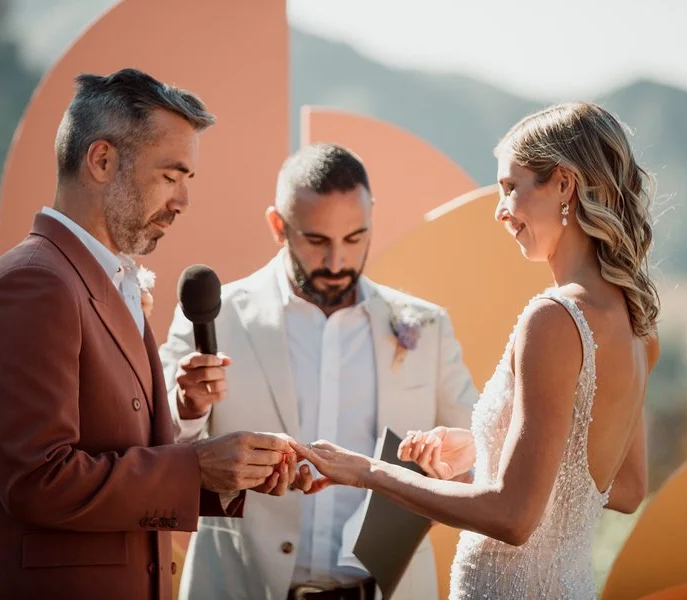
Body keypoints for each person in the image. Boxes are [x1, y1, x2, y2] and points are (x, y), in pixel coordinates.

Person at [291, 102, 661, 600]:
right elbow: (625, 488)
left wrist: (370, 472)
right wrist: (487, 450)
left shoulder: (553, 319)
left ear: (564, 185)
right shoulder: (640, 328)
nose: (500, 208)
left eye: (511, 187)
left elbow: (512, 517)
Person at [0, 68, 295, 600]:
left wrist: (208, 450)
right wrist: (196, 466)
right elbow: (37, 482)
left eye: (188, 180)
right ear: (102, 160)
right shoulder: (34, 284)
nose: (182, 200)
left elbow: (116, 447)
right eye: (170, 176)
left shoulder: (106, 278)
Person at [158, 143, 479, 600]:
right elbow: (158, 449)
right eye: (316, 240)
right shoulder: (217, 316)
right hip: (241, 588)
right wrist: (187, 407)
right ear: (278, 226)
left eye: (354, 239)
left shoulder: (427, 326)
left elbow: (479, 453)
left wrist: (446, 464)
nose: (336, 263)